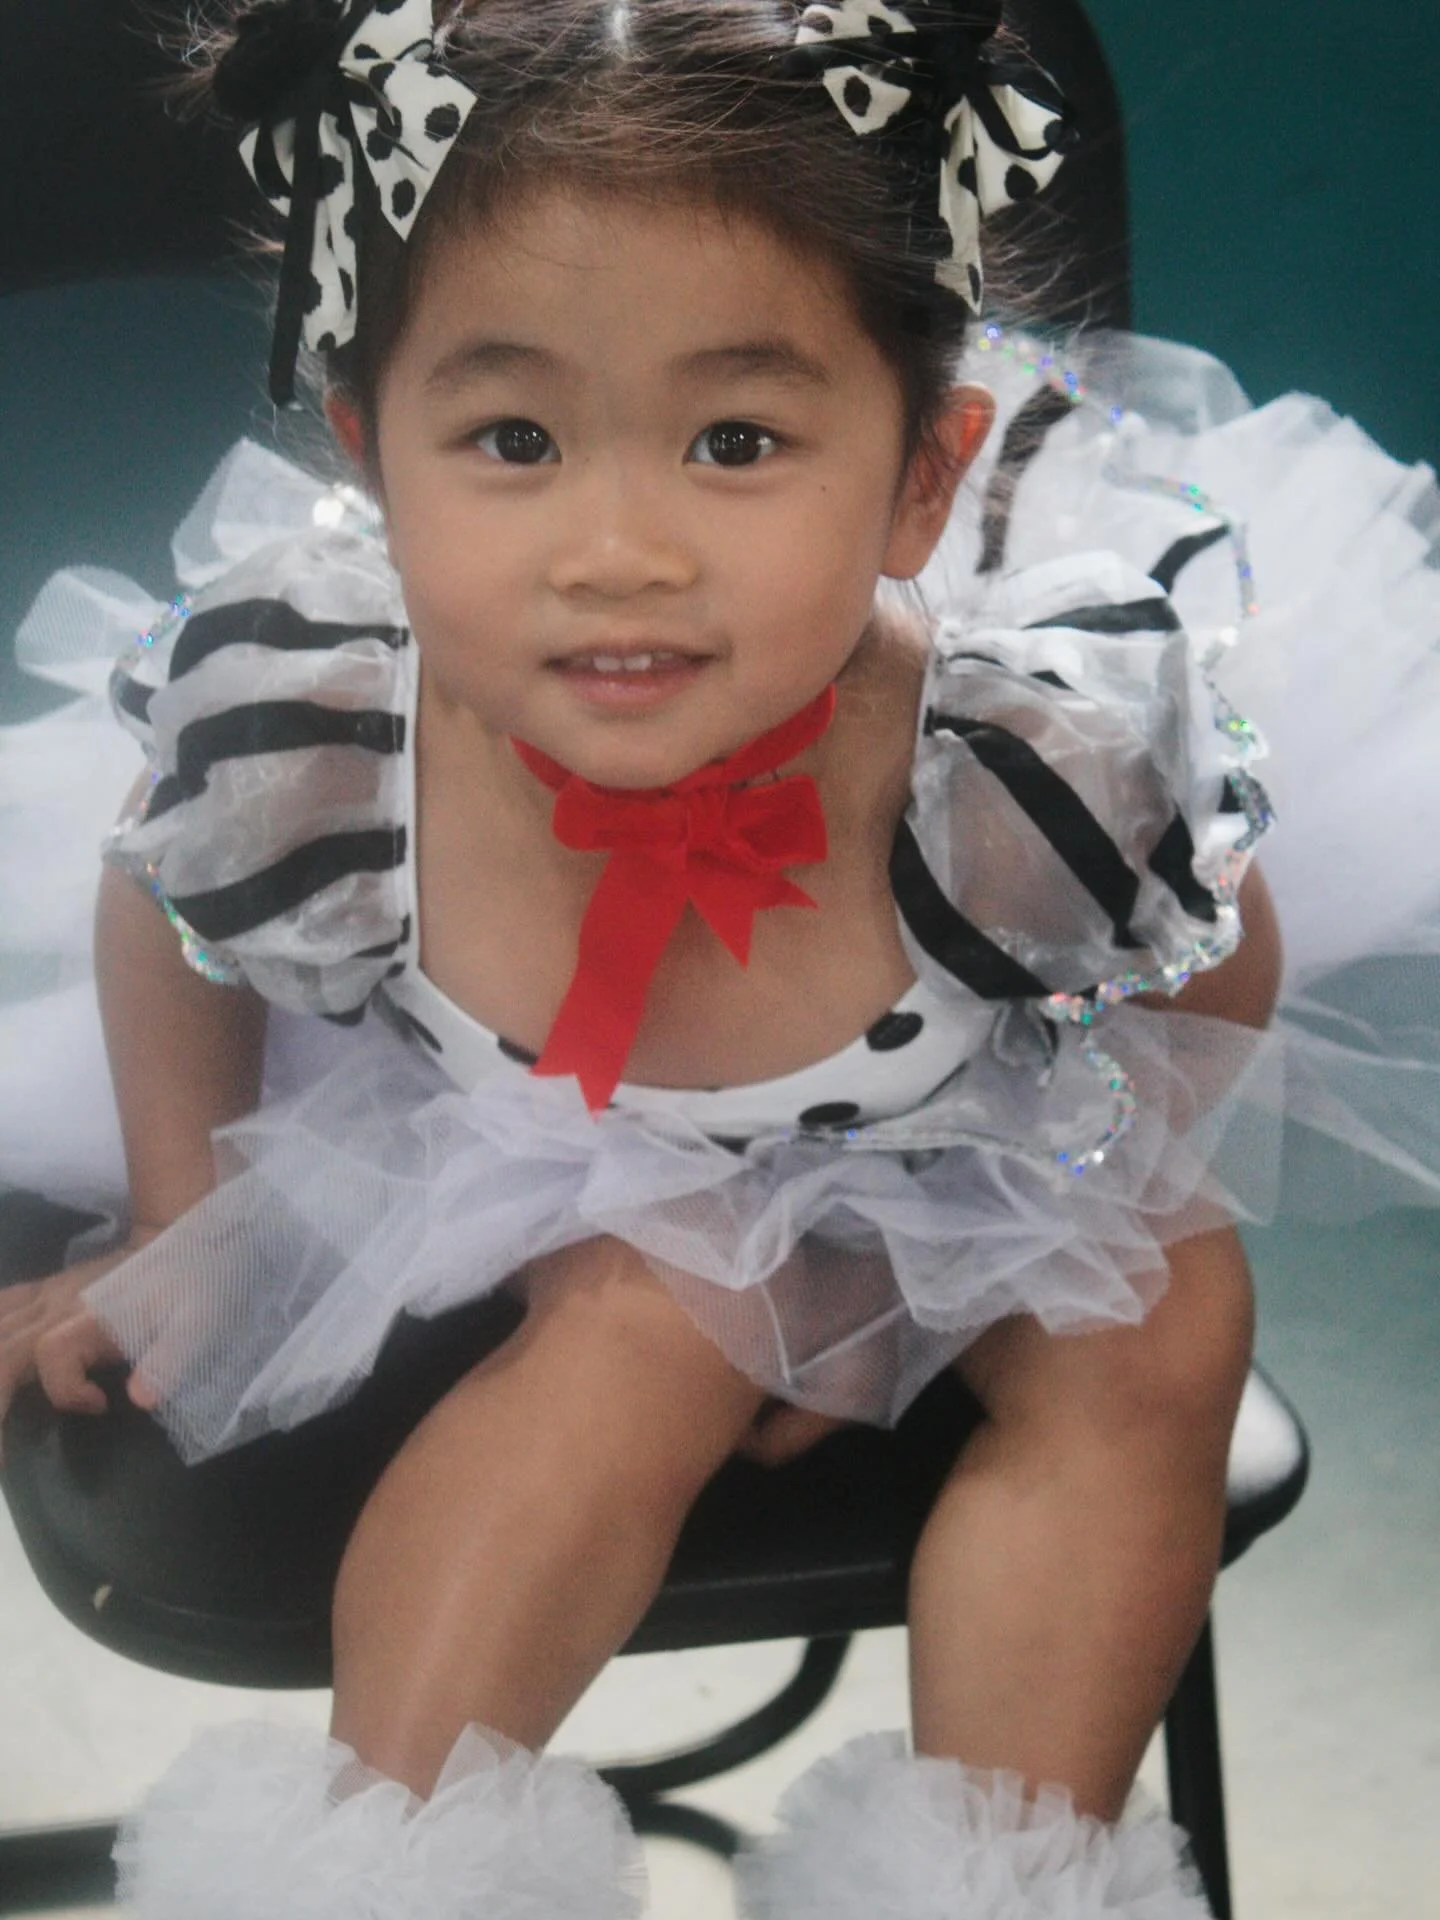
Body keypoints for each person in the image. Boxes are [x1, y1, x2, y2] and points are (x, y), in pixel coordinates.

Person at [0, 1, 1437, 1914]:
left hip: (989, 1099)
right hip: (571, 1128)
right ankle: (378, 1863)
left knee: (1156, 1332)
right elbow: (166, 907)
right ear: (371, 444)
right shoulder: (320, 738)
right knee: (639, 1336)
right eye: (512, 439)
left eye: (736, 441)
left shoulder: (1027, 776)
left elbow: (1211, 959)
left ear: (922, 482)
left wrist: (985, 1241)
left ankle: (1005, 1876)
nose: (620, 548)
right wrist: (187, 1224)